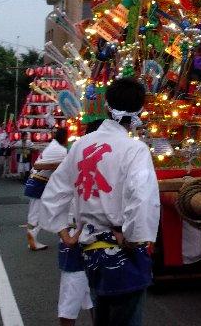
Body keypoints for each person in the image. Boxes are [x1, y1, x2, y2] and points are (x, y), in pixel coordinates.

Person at [41, 78, 160, 326]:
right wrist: (130, 235)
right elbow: (143, 198)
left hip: (90, 252)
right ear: (139, 112)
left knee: (102, 317)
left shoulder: (81, 145)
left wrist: (66, 233)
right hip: (122, 251)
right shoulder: (134, 149)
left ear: (106, 106)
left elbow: (54, 192)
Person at [24, 128, 69, 251]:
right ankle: (33, 234)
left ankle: (33, 235)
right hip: (40, 182)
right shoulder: (61, 150)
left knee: (37, 211)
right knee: (41, 212)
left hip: (36, 180)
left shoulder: (53, 146)